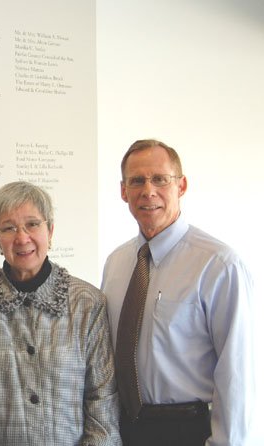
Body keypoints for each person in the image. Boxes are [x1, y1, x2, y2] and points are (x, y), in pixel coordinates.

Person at [101, 139, 256, 445]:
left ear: (181, 186)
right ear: (123, 192)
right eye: (137, 181)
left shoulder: (219, 265)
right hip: (123, 429)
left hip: (189, 431)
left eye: (160, 179)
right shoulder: (116, 263)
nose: (148, 191)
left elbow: (237, 375)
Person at [0, 181, 121, 445]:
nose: (22, 238)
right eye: (8, 228)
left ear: (50, 231)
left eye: (32, 224)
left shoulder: (87, 303)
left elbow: (102, 404)